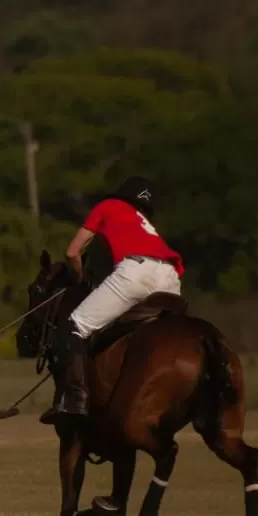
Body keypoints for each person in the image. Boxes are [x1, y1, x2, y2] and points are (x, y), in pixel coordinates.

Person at [47, 176, 185, 421]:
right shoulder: (145, 222)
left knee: (73, 328)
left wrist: (78, 277)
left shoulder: (107, 206)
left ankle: (75, 398)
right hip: (171, 276)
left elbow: (72, 252)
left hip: (136, 271)